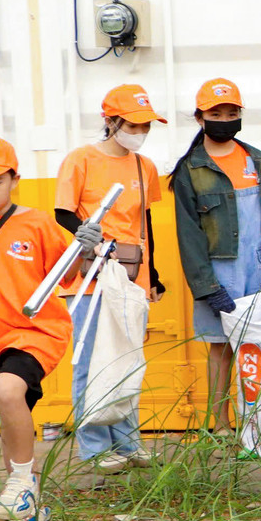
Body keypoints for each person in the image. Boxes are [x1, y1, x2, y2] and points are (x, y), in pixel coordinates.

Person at [0, 136, 102, 521]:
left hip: (34, 330)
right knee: (7, 414)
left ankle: (19, 486)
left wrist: (84, 250)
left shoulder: (34, 223)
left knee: (8, 390)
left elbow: (66, 277)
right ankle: (27, 509)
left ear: (14, 179)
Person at [54, 84, 166, 473]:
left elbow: (145, 222)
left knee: (128, 359)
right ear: (110, 121)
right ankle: (96, 448)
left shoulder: (144, 166)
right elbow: (63, 214)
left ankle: (128, 442)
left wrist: (153, 275)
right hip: (89, 275)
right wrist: (94, 237)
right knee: (92, 359)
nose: (140, 131)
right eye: (133, 123)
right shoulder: (80, 159)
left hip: (131, 276)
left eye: (146, 124)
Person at [170, 78, 261, 434]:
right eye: (215, 113)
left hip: (259, 267)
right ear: (200, 117)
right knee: (220, 350)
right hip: (217, 271)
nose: (224, 118)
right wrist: (206, 286)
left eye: (231, 112)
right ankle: (219, 426)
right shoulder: (189, 171)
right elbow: (188, 235)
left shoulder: (258, 160)